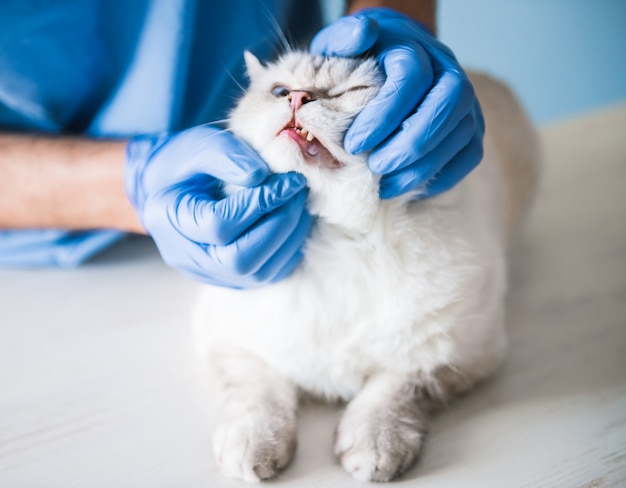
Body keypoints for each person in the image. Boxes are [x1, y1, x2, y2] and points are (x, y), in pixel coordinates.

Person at [0, 0, 484, 288]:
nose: (299, 100)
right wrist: (128, 182)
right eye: (283, 95)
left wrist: (392, 16)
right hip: (55, 266)